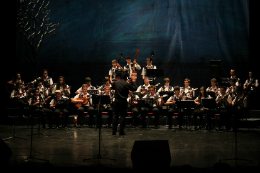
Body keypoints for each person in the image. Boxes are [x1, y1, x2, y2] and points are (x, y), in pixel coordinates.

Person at [111, 70, 137, 135]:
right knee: (122, 116)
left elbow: (112, 87)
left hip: (116, 101)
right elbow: (134, 88)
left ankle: (114, 131)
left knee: (115, 116)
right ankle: (121, 131)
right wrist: (132, 81)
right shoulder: (126, 84)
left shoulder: (116, 83)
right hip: (123, 101)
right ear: (126, 77)